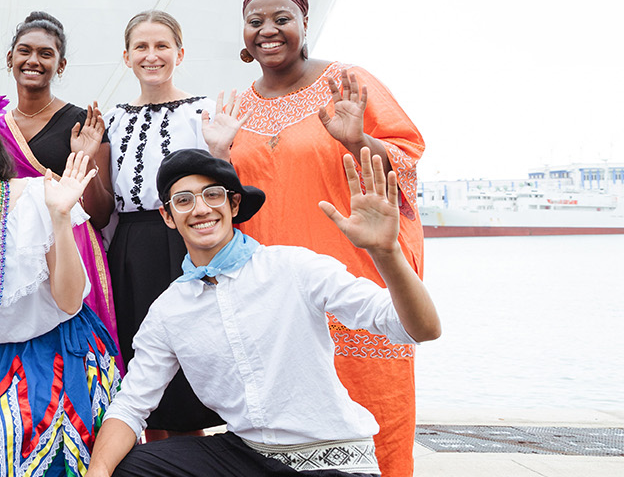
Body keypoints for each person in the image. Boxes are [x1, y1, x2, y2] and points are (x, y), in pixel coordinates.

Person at [87, 148, 441, 477]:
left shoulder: (292, 267)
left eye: (213, 195)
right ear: (167, 216)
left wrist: (387, 253)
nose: (200, 209)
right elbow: (131, 404)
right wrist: (97, 473)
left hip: (332, 454)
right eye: (183, 201)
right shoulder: (169, 309)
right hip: (245, 455)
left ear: (234, 204)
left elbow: (420, 329)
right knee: (128, 466)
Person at [215, 0, 427, 477]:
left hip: (353, 282)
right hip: (274, 297)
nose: (268, 29)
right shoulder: (235, 107)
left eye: (281, 18)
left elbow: (408, 163)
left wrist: (357, 140)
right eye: (255, 21)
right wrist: (217, 155)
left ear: (304, 23)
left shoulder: (347, 83)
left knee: (376, 423)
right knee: (284, 432)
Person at [0, 94, 121, 476]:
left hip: (64, 352)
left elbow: (68, 303)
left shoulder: (36, 198)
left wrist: (61, 218)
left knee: (10, 451)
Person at [87, 11, 228, 440]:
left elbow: (222, 188)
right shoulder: (112, 118)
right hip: (129, 247)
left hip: (184, 242)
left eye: (162, 46)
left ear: (180, 53)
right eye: (142, 47)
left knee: (187, 369)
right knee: (143, 365)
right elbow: (105, 203)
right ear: (126, 57)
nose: (152, 56)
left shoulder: (204, 112)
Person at [0, 11, 120, 365]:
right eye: (25, 51)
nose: (33, 60)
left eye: (46, 54)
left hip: (70, 246)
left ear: (60, 65)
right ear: (11, 59)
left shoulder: (82, 122)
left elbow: (101, 212)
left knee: (75, 354)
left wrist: (85, 159)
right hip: (13, 250)